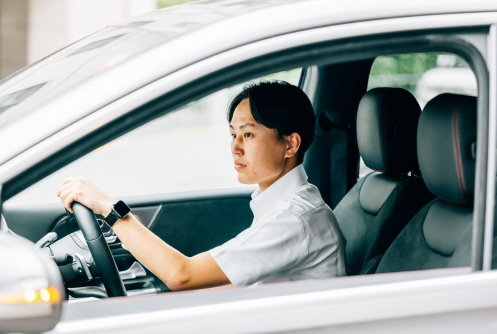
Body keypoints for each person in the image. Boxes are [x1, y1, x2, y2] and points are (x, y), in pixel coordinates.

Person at [57, 81, 346, 290]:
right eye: (233, 134)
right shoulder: (282, 205)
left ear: (290, 144)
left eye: (248, 135)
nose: (234, 147)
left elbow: (182, 275)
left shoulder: (295, 220)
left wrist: (110, 209)